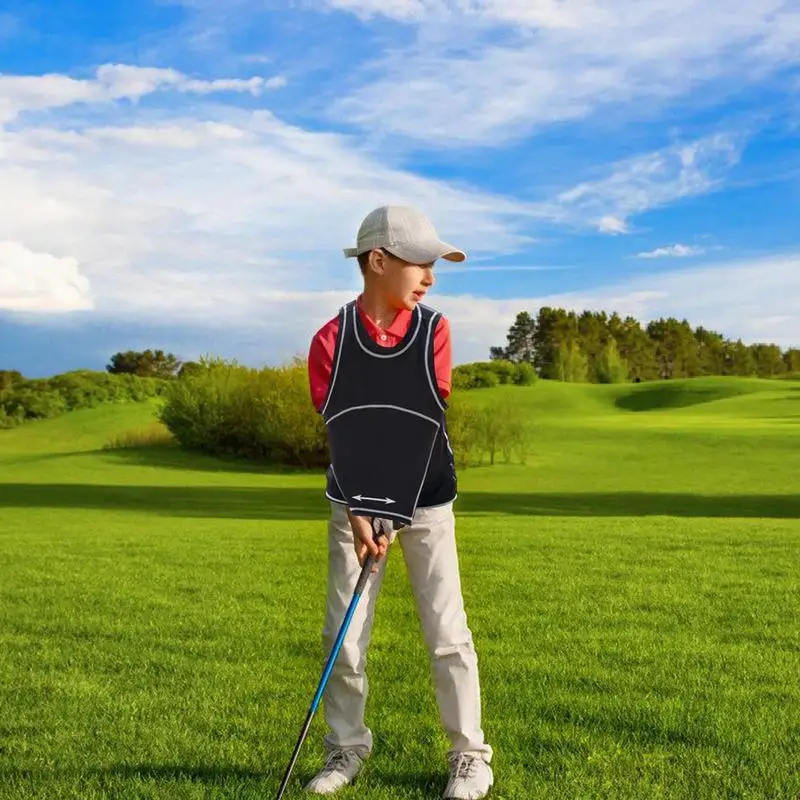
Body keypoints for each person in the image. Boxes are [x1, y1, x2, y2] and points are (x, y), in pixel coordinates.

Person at [304, 205, 493, 799]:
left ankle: (469, 756)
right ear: (378, 261)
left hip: (427, 502)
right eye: (421, 263)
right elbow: (343, 430)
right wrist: (362, 508)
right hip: (352, 509)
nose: (430, 277)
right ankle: (345, 748)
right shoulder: (330, 340)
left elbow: (421, 423)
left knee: (446, 632)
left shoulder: (434, 330)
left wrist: (395, 507)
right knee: (347, 634)